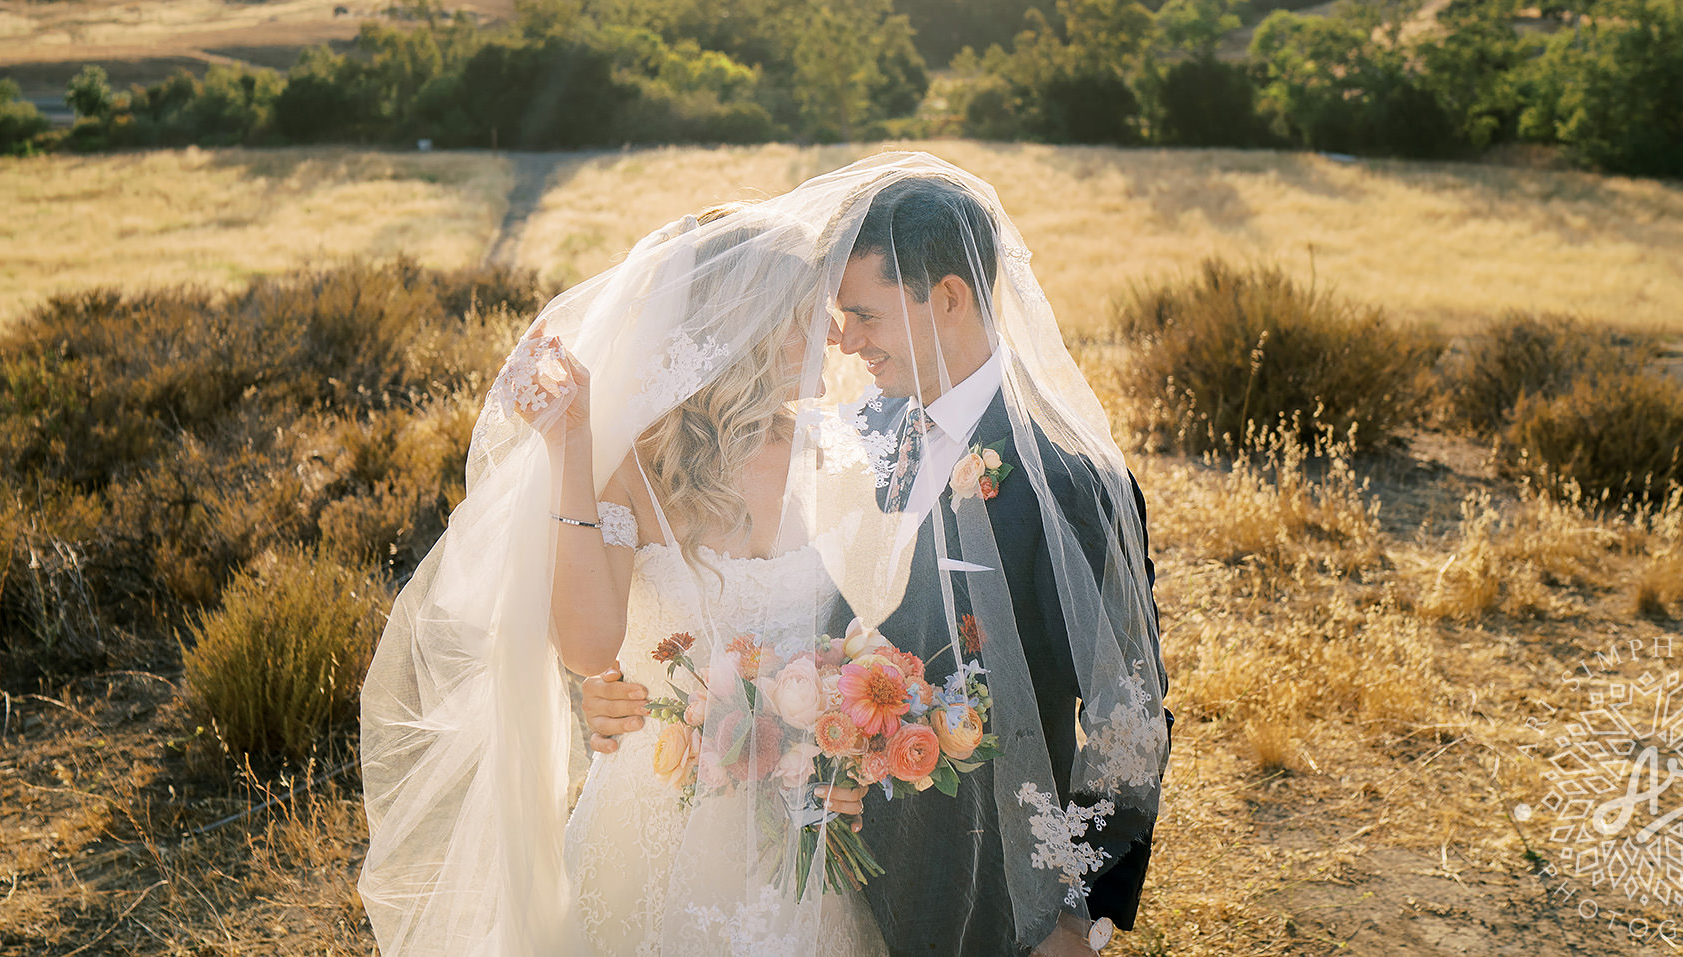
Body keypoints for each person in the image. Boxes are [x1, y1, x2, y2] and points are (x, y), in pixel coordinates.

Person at [582, 166, 1171, 957]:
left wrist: (1079, 915)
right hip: (836, 875)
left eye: (864, 314)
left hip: (992, 887)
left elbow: (1127, 720)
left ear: (950, 298)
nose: (845, 339)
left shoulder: (1074, 482)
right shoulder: (851, 434)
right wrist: (623, 692)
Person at [361, 199, 884, 955]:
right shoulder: (635, 467)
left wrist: (853, 739)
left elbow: (877, 620)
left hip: (809, 821)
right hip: (658, 813)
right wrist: (569, 448)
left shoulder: (838, 451)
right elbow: (589, 642)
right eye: (810, 311)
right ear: (749, 322)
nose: (835, 333)